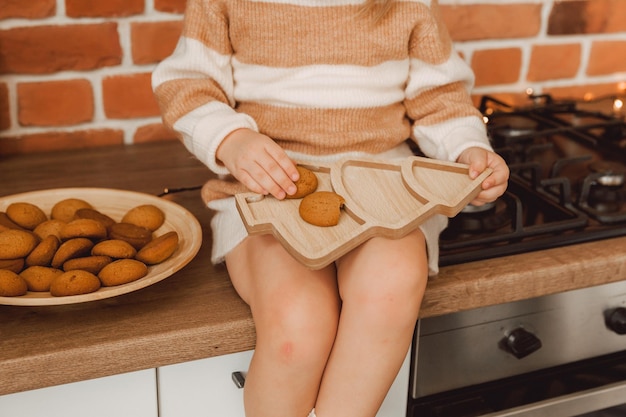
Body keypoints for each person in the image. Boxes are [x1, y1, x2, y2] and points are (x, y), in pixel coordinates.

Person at [152, 0, 509, 416]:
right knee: (298, 330)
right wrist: (230, 140)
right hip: (268, 188)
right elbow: (187, 84)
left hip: (384, 191)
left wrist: (466, 148)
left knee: (391, 288)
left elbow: (441, 100)